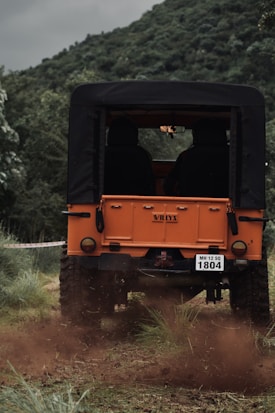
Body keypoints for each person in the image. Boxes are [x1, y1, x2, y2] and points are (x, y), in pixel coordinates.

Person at [164, 119, 229, 197]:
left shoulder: (186, 156)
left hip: (188, 205)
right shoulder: (233, 156)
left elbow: (169, 185)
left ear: (196, 135)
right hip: (229, 205)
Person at [104, 117, 155, 195]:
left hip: (103, 203)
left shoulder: (101, 155)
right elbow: (149, 184)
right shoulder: (142, 155)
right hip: (139, 203)